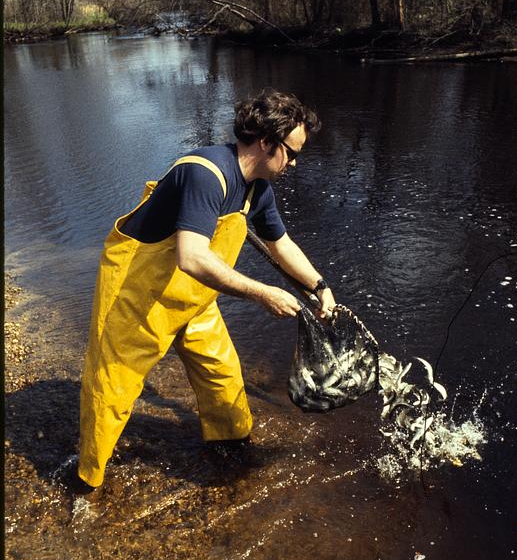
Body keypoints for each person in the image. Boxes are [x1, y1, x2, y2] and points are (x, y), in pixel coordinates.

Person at [73, 88, 335, 495]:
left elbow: (280, 244)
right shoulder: (205, 172)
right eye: (292, 152)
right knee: (113, 386)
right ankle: (86, 480)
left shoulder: (258, 189)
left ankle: (231, 450)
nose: (295, 162)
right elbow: (192, 257)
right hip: (136, 292)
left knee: (222, 375)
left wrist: (320, 287)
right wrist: (262, 293)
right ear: (267, 143)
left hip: (192, 296)